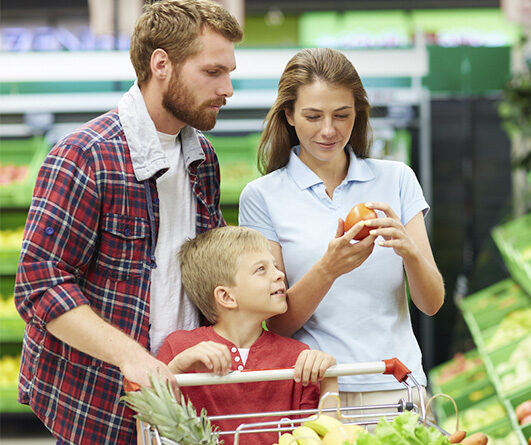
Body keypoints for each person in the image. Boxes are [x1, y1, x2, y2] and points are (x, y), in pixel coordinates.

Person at [13, 1, 242, 443]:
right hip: (98, 403)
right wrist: (133, 357)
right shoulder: (86, 155)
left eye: (229, 72)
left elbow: (205, 271)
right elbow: (41, 284)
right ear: (162, 64)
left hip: (182, 399)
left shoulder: (202, 159)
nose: (227, 88)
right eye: (213, 72)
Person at [238, 48, 445, 410]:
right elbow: (278, 326)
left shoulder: (396, 179)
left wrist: (408, 252)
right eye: (313, 116)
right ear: (288, 114)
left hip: (398, 388)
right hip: (316, 395)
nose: (328, 130)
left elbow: (431, 304)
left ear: (358, 114)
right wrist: (329, 268)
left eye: (342, 115)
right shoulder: (262, 196)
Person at [157, 226, 337, 444]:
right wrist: (177, 367)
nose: (279, 274)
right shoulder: (180, 347)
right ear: (226, 296)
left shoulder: (298, 356)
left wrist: (329, 378)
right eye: (261, 269)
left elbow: (319, 436)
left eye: (276, 266)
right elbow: (155, 420)